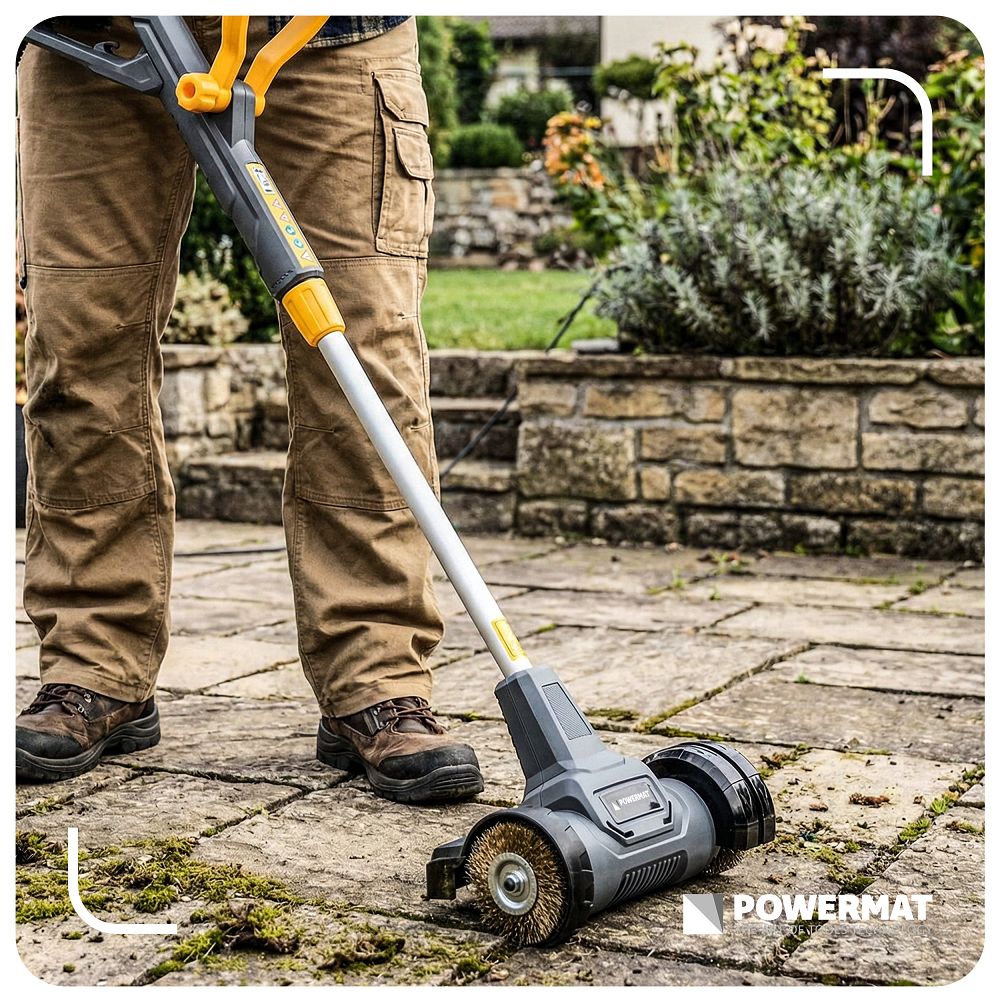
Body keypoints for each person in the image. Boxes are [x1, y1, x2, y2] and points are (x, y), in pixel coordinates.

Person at [15, 15, 484, 803]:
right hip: (91, 36)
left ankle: (375, 674)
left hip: (328, 36)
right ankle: (95, 664)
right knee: (80, 350)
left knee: (364, 359)